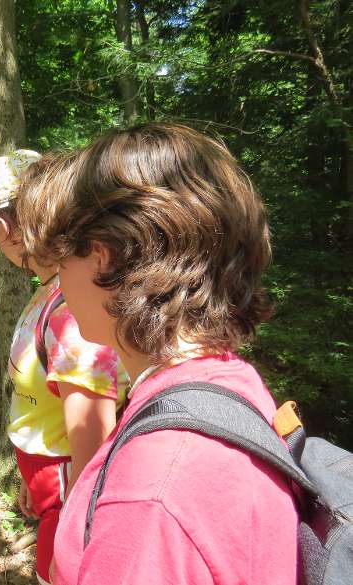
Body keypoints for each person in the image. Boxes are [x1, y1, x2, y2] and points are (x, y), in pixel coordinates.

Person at [16, 123, 299, 585]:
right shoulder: (228, 384)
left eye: (61, 260)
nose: (59, 281)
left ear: (102, 257)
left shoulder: (151, 496)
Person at [0, 150, 127, 585]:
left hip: (72, 499)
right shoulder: (49, 292)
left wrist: (76, 528)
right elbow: (46, 405)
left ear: (3, 225)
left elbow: (92, 436)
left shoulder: (70, 309)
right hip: (53, 488)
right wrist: (34, 480)